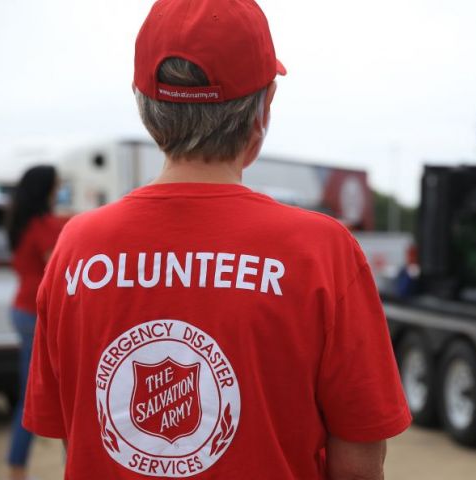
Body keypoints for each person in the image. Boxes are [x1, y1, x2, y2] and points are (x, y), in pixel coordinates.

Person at [22, 1, 411, 479]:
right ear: (264, 107)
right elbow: (359, 461)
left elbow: (82, 436)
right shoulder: (321, 251)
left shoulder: (76, 248)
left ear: (144, 105)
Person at [5, 165, 64, 480]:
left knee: (30, 393)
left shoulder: (21, 221)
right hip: (37, 313)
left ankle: (17, 466)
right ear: (47, 189)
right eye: (56, 186)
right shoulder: (44, 226)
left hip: (21, 308)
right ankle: (16, 468)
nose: (59, 191)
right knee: (33, 397)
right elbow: (57, 265)